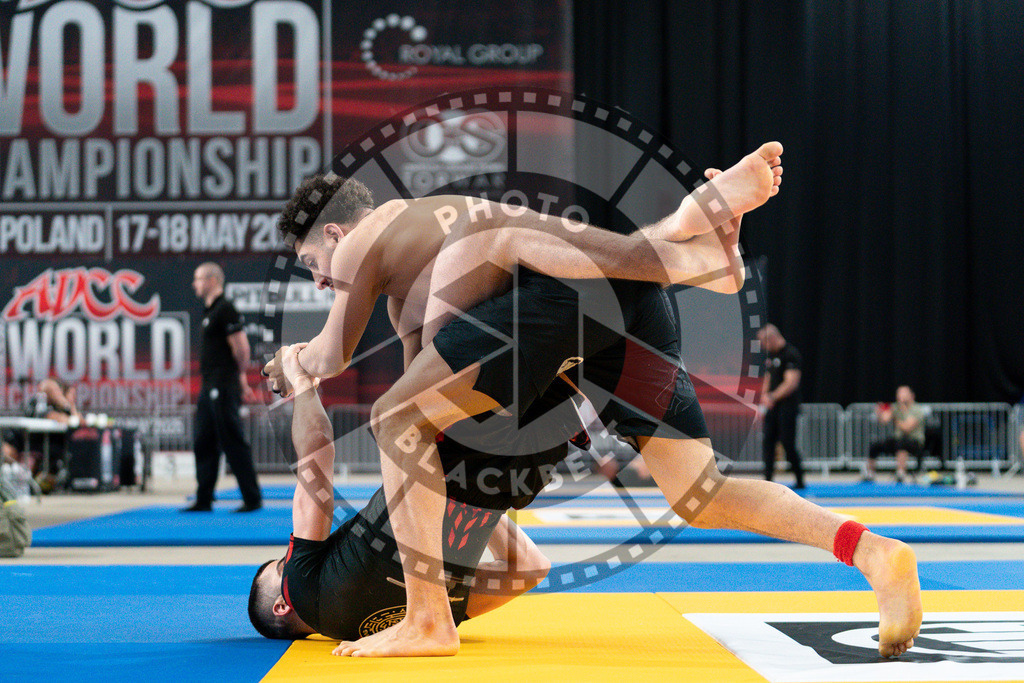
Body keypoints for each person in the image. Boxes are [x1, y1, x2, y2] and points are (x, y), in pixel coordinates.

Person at [266, 143, 922, 659]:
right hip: (622, 312)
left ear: (331, 235)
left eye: (312, 265)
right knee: (704, 491)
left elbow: (331, 357)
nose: (322, 280)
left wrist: (292, 367)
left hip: (555, 306)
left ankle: (429, 617)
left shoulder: (363, 241)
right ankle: (871, 550)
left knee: (391, 417)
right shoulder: (426, 252)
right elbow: (435, 384)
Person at [250, 345, 583, 646]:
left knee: (570, 338)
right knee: (416, 338)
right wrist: (301, 383)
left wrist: (460, 506)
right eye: (283, 564)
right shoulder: (301, 588)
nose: (290, 559)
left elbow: (530, 569)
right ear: (282, 606)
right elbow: (316, 450)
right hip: (462, 444)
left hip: (532, 464)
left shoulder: (434, 614)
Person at [182, 262, 262, 513]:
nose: (194, 284)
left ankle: (252, 498)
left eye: (198, 279)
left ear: (212, 280)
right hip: (209, 386)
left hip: (223, 386)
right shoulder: (209, 312)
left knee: (232, 439)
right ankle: (204, 498)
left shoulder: (225, 309)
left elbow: (242, 349)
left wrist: (238, 378)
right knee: (203, 440)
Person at [757, 324, 806, 490]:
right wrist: (764, 396)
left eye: (764, 342)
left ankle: (800, 479)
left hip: (787, 406)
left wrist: (772, 396)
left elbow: (791, 382)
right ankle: (768, 480)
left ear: (771, 338)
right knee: (768, 442)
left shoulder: (790, 354)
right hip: (773, 407)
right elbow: (767, 378)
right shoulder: (771, 356)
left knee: (787, 443)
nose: (763, 346)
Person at [865, 386, 926, 484]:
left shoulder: (917, 409)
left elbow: (907, 428)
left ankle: (900, 474)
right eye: (899, 393)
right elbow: (884, 420)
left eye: (903, 393)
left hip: (915, 441)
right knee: (875, 446)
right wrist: (880, 412)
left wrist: (896, 418)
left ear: (910, 395)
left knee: (902, 445)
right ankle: (870, 475)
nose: (900, 396)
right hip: (898, 439)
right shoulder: (896, 407)